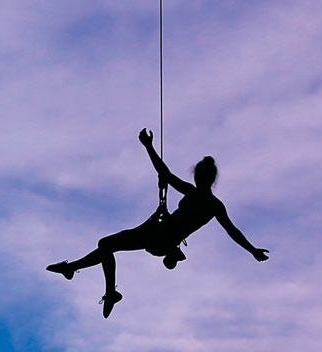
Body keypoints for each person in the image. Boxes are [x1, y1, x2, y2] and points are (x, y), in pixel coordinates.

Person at [49, 128, 268, 315]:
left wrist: (148, 146)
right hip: (160, 235)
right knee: (106, 245)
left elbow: (165, 173)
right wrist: (252, 250)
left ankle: (103, 288)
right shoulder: (214, 205)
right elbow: (232, 231)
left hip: (159, 236)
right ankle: (76, 271)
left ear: (199, 177)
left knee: (106, 244)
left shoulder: (198, 196)